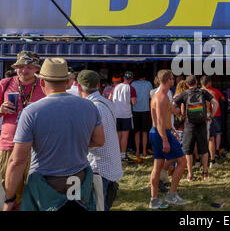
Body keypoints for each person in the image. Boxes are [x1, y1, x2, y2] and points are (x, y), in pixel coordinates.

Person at [3, 58, 104, 211]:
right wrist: (72, 141)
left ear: (42, 83)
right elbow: (99, 140)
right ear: (68, 82)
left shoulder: (31, 112)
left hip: (45, 184)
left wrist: (9, 198)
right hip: (79, 178)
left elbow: (17, 161)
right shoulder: (89, 106)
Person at [0, 51, 46, 209]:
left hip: (36, 145)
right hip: (9, 143)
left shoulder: (44, 85)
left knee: (32, 189)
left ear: (36, 69)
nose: (24, 70)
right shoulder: (5, 83)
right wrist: (1, 108)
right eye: (20, 66)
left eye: (29, 67)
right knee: (9, 188)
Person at [78, 70, 123, 211]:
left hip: (97, 166)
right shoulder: (107, 102)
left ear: (79, 87)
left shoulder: (89, 106)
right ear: (98, 85)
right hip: (110, 162)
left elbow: (97, 141)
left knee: (96, 206)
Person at [149, 70, 187, 209]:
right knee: (182, 162)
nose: (174, 81)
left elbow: (166, 116)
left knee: (158, 167)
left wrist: (171, 130)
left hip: (160, 132)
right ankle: (172, 194)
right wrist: (165, 139)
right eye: (172, 78)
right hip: (161, 133)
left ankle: (154, 199)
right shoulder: (161, 97)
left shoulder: (162, 96)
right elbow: (159, 121)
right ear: (167, 80)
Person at [173, 75, 218, 181]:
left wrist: (178, 114)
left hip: (189, 125)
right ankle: (205, 173)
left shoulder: (184, 94)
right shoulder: (203, 92)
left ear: (187, 84)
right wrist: (211, 116)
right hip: (202, 124)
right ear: (197, 82)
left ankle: (190, 175)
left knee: (188, 151)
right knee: (204, 150)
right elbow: (215, 103)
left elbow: (173, 104)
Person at [111, 71, 137, 162]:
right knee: (125, 136)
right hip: (126, 114)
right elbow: (134, 102)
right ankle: (123, 155)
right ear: (132, 79)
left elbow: (110, 98)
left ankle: (116, 155)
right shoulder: (131, 88)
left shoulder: (116, 87)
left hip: (116, 114)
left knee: (117, 135)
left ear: (123, 78)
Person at [131, 73, 153, 158]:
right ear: (145, 76)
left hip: (135, 109)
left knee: (136, 132)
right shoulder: (148, 83)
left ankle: (137, 151)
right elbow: (150, 96)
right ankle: (144, 151)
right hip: (146, 109)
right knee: (144, 132)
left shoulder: (133, 84)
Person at [200, 76, 220, 167]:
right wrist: (211, 115)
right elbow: (215, 105)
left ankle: (198, 160)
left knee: (199, 138)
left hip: (198, 117)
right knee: (211, 139)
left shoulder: (196, 92)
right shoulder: (211, 92)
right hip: (208, 116)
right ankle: (212, 161)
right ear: (208, 83)